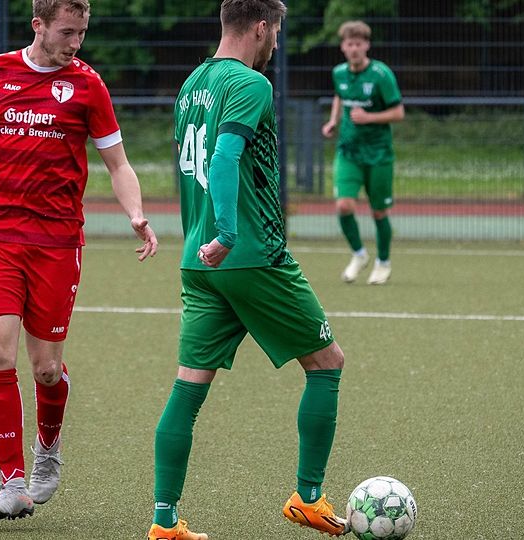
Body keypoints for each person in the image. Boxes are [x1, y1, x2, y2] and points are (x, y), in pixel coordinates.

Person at [0, 0, 158, 522]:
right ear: (37, 25)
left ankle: (47, 450)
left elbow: (118, 163)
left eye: (82, 33)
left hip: (57, 243)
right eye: (67, 32)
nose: (76, 43)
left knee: (45, 369)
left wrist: (135, 212)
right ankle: (12, 481)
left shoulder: (88, 86)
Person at [147, 1, 348, 539]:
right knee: (327, 363)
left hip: (198, 262)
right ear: (261, 27)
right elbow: (222, 158)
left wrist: (211, 239)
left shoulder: (192, 84)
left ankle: (164, 522)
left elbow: (193, 162)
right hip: (250, 255)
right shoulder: (252, 84)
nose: (276, 43)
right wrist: (229, 234)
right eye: (276, 32)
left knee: (188, 389)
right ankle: (308, 497)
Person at [321, 20, 404, 285]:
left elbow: (398, 112)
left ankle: (383, 263)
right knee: (343, 205)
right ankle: (359, 254)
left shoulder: (381, 74)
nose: (354, 48)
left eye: (359, 44)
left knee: (379, 212)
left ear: (366, 45)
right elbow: (339, 96)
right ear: (343, 47)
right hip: (348, 151)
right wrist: (333, 121)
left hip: (379, 154)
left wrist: (369, 118)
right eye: (350, 44)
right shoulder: (339, 73)